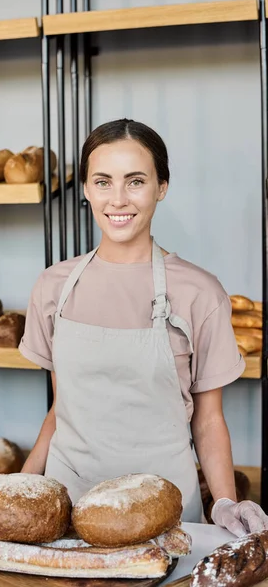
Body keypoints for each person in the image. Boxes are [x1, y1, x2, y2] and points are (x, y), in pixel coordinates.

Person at [19, 118, 268, 536]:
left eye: (135, 181)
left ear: (161, 187)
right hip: (66, 512)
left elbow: (208, 420)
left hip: (164, 515)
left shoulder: (199, 292)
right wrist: (22, 484)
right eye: (102, 182)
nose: (118, 199)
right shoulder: (53, 287)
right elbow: (61, 410)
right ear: (84, 189)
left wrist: (224, 501)